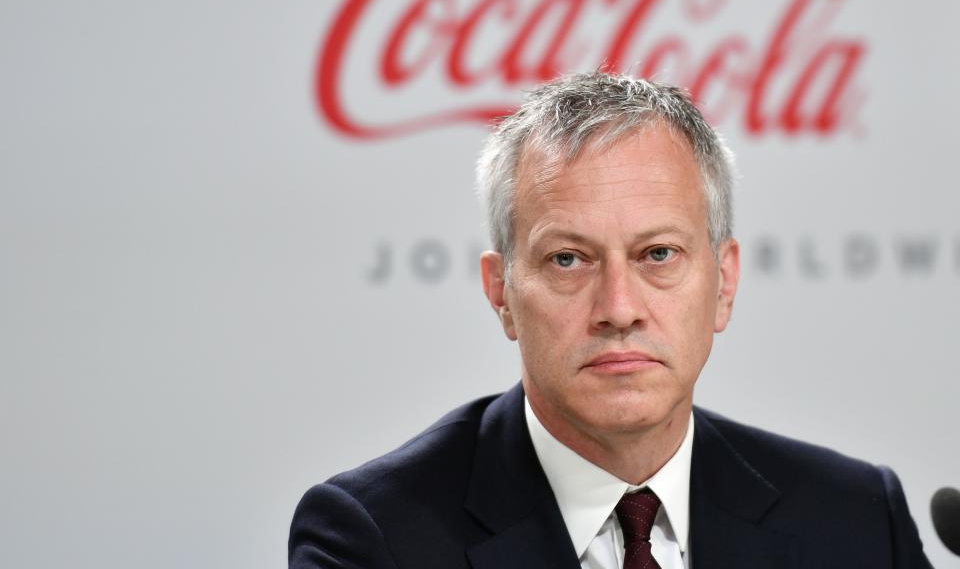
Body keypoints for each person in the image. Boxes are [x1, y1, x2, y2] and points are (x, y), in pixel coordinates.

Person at [289, 72, 932, 568]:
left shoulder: (856, 519)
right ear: (501, 293)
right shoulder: (374, 538)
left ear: (725, 282)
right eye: (568, 259)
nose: (619, 309)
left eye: (658, 255)